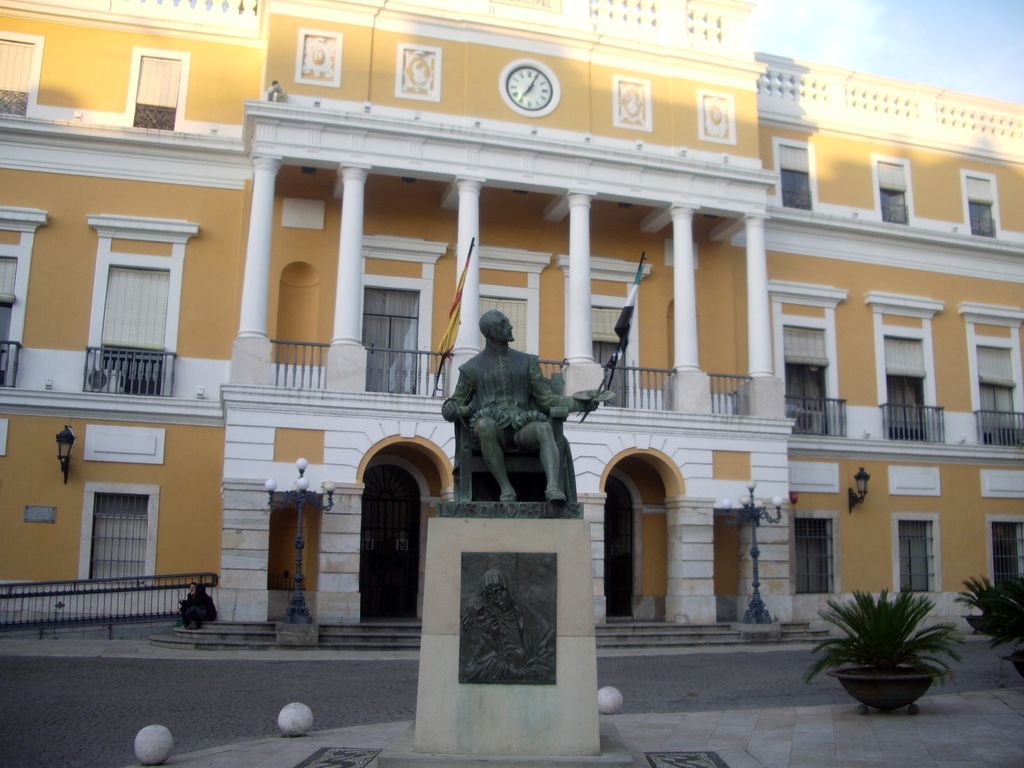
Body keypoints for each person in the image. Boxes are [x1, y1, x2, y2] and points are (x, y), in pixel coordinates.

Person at [441, 309, 597, 503]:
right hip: (493, 431)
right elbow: (456, 401)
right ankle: (506, 489)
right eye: (503, 324)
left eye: (508, 322)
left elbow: (547, 399)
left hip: (522, 427)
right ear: (489, 332)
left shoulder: (527, 362)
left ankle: (553, 489)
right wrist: (450, 408)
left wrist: (580, 404)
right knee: (484, 426)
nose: (510, 326)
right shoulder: (471, 368)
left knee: (544, 428)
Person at [460, 568, 554, 683]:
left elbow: (546, 656)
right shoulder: (492, 621)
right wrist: (470, 612)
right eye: (490, 594)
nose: (496, 598)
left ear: (509, 590)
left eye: (499, 591)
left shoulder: (532, 621)